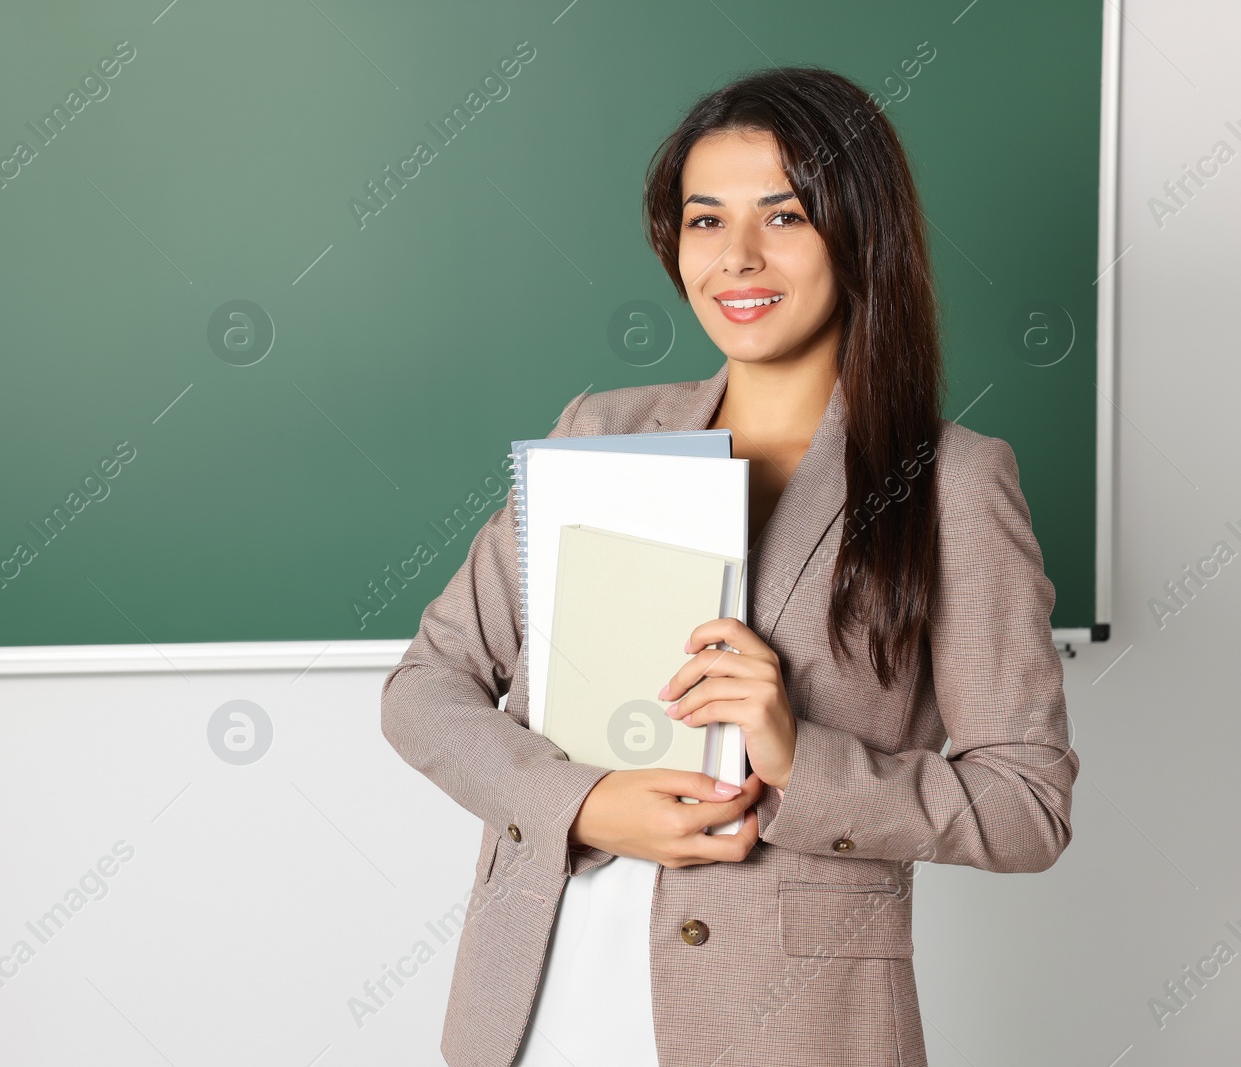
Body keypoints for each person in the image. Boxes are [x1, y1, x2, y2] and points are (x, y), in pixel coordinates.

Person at [380, 66, 1078, 1067]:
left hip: (789, 1028)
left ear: (857, 230)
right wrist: (580, 800)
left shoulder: (951, 482)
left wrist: (802, 758)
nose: (737, 258)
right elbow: (424, 686)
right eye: (705, 220)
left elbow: (1027, 806)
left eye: (783, 215)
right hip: (537, 1003)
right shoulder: (601, 431)